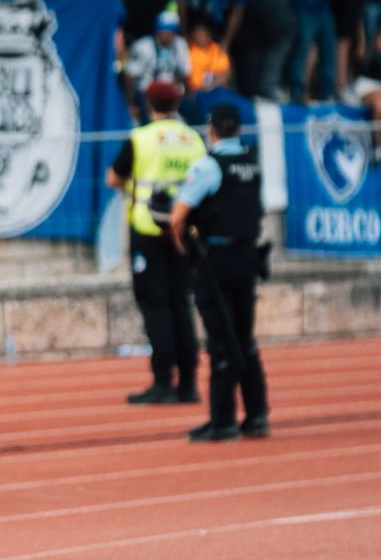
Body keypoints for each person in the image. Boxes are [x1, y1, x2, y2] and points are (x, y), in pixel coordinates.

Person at [170, 104, 271, 442]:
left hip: (216, 261)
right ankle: (256, 415)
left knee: (220, 339)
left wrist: (184, 248)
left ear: (212, 130)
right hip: (248, 258)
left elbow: (177, 216)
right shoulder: (252, 165)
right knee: (245, 337)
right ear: (238, 130)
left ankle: (223, 420)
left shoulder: (209, 166)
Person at [108, 80, 202, 406]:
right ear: (177, 104)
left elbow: (113, 178)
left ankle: (163, 381)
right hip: (185, 233)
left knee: (155, 306)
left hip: (148, 231)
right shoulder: (194, 139)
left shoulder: (142, 138)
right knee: (181, 304)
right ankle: (189, 383)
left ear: (150, 104)